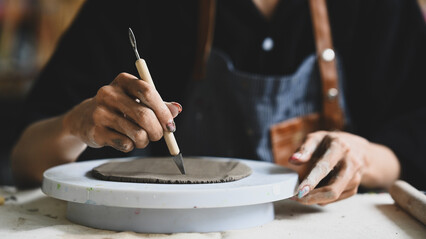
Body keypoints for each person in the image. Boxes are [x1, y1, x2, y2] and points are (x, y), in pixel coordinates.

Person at [10, 0, 426, 206]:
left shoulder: (378, 7)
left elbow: (417, 137)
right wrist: (74, 124)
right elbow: (25, 159)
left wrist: (364, 156)